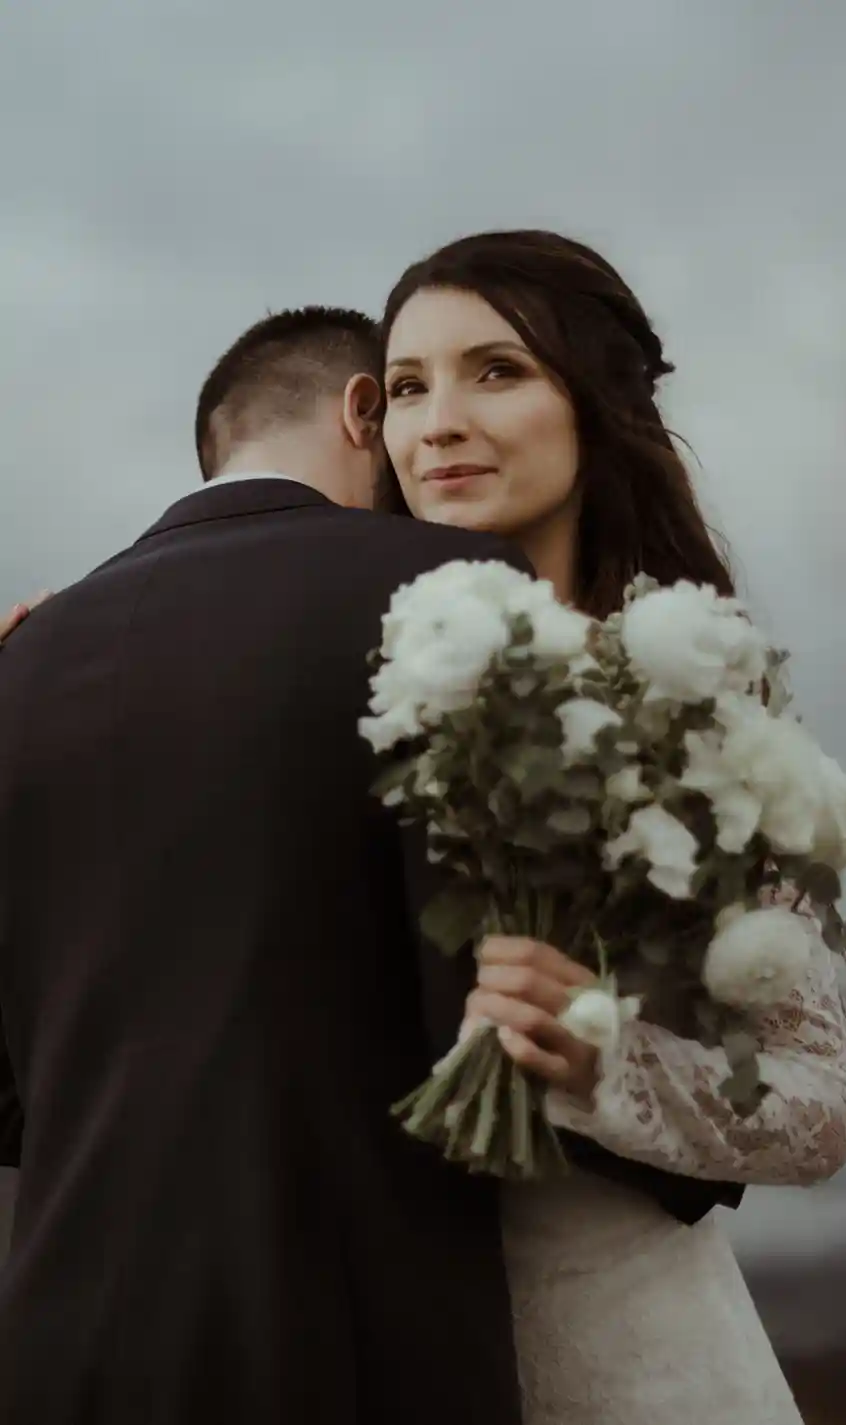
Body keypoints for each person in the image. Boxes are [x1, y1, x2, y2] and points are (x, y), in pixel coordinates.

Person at [0, 306, 543, 1425]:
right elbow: (488, 1025)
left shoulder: (23, 655)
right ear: (360, 411)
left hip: (60, 1335)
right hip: (352, 1332)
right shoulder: (453, 588)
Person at [374, 229, 846, 1425]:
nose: (435, 421)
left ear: (593, 403)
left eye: (496, 371)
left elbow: (818, 1103)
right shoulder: (340, 676)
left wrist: (601, 1063)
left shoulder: (706, 709)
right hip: (367, 1340)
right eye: (404, 386)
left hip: (631, 1349)